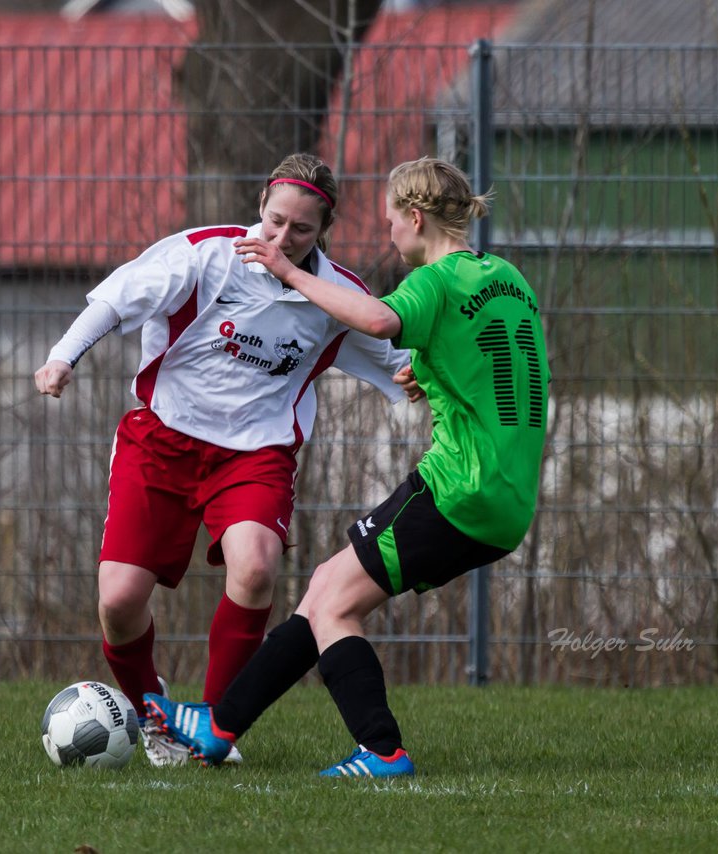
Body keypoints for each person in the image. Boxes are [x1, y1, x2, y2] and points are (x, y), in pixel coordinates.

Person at [143, 156, 550, 778]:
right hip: (511, 497)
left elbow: (381, 319)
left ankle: (381, 749)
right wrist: (431, 371)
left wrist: (287, 270)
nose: (389, 235)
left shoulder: (437, 279)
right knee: (325, 592)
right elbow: (500, 362)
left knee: (332, 603)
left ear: (416, 218)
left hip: (458, 489)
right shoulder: (508, 279)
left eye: (391, 222)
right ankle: (219, 726)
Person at [33, 153, 417, 767]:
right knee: (118, 602)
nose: (281, 238)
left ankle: (213, 729)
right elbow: (114, 301)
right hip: (161, 441)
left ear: (324, 230)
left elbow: (400, 365)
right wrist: (62, 358)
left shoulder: (336, 297)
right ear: (260, 206)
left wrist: (430, 383)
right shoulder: (201, 255)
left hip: (256, 456)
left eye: (301, 230)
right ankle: (157, 718)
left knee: (257, 566)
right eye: (274, 221)